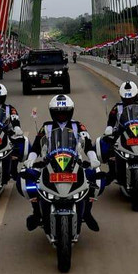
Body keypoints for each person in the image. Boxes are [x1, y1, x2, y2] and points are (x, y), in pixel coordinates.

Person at [22, 94, 101, 232]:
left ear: (70, 112)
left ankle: (87, 212)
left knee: (96, 180)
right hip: (50, 164)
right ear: (52, 113)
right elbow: (36, 146)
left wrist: (93, 158)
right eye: (58, 113)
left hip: (75, 164)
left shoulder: (78, 126)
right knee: (27, 180)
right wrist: (31, 159)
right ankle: (36, 212)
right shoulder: (46, 127)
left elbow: (88, 145)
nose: (62, 116)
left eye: (65, 113)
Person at [103, 81, 138, 187]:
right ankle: (113, 173)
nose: (128, 100)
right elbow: (111, 120)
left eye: (130, 98)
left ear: (135, 96)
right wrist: (109, 128)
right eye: (126, 99)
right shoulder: (117, 107)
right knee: (110, 150)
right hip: (121, 134)